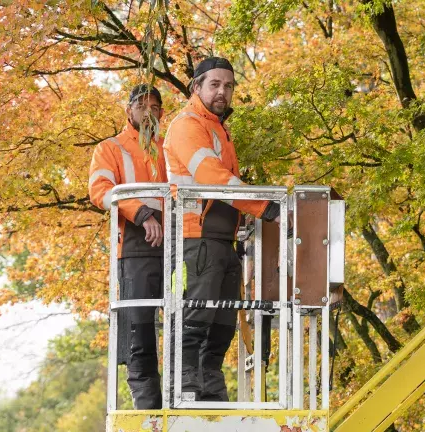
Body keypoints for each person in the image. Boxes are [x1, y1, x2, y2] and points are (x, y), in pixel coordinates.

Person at [164, 57, 281, 401]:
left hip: (223, 240)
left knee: (223, 321)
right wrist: (262, 206)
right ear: (196, 87)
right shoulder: (187, 125)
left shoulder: (218, 129)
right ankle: (186, 387)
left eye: (228, 86)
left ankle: (211, 389)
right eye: (214, 84)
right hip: (196, 235)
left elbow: (226, 185)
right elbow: (211, 177)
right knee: (198, 312)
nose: (222, 91)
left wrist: (244, 217)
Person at [88, 84, 167, 409]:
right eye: (142, 105)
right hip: (136, 249)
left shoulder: (169, 147)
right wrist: (141, 213)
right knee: (140, 333)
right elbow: (100, 190)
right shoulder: (110, 149)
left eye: (155, 106)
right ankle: (148, 415)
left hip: (178, 245)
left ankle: (182, 410)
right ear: (129, 111)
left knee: (183, 331)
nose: (149, 112)